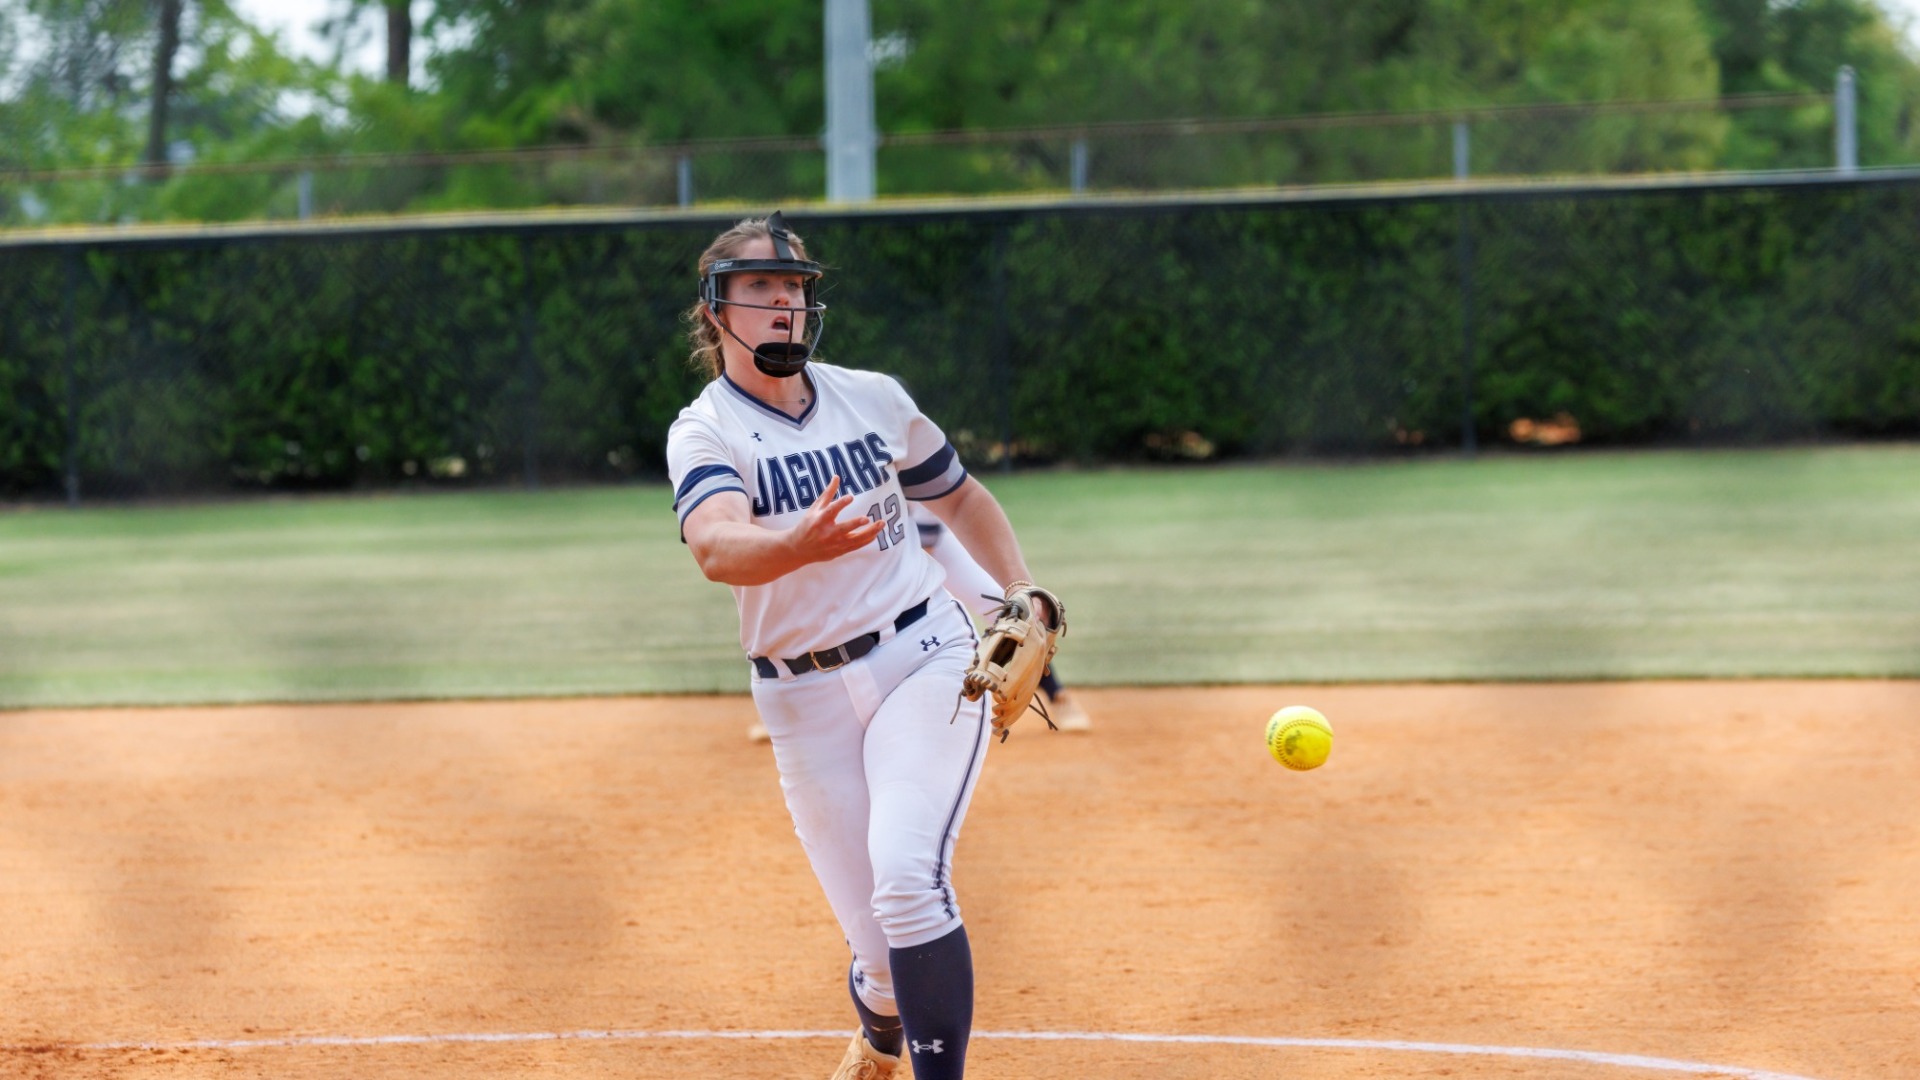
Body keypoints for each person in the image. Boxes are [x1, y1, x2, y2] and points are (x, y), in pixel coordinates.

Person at [666, 212, 1061, 1080]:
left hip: (922, 655)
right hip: (800, 701)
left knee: (909, 878)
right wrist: (795, 545)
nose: (783, 302)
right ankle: (881, 1034)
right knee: (880, 956)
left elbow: (960, 498)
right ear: (716, 310)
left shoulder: (872, 397)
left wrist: (1018, 588)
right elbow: (715, 546)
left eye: (794, 286)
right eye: (760, 287)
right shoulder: (705, 431)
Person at [748, 502, 1092, 742]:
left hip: (926, 542)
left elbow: (922, 549)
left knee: (1009, 615)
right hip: (862, 554)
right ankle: (787, 708)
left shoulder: (888, 446)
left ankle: (1059, 697)